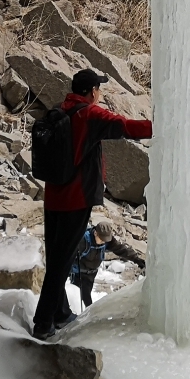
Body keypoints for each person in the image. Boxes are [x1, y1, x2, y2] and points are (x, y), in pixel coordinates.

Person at [34, 69, 151, 339]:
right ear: (92, 91)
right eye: (99, 88)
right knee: (62, 264)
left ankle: (60, 313)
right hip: (75, 201)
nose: (100, 94)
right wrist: (160, 127)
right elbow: (125, 127)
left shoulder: (60, 109)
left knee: (56, 257)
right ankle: (42, 324)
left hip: (53, 197)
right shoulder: (90, 115)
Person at [68, 220, 145, 312]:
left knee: (86, 299)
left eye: (106, 239)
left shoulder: (107, 240)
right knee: (82, 300)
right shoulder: (84, 241)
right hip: (78, 275)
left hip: (91, 275)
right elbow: (69, 258)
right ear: (95, 233)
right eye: (102, 239)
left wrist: (138, 260)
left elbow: (121, 250)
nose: (104, 242)